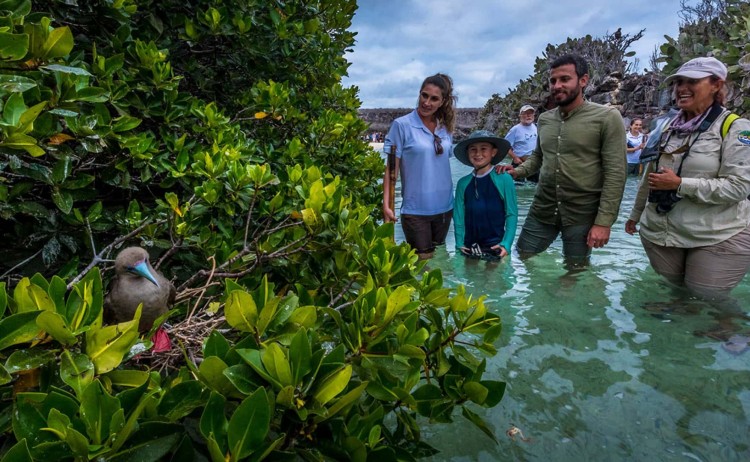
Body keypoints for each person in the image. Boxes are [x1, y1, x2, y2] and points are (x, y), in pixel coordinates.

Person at [625, 56, 750, 301]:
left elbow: (739, 188)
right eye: (678, 82)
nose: (682, 88)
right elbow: (650, 177)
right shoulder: (666, 127)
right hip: (662, 233)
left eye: (692, 81)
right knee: (676, 298)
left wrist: (681, 185)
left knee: (707, 304)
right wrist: (635, 215)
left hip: (719, 233)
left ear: (716, 84)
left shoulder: (736, 128)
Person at [497, 54, 627, 266]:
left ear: (583, 80)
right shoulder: (545, 119)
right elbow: (538, 157)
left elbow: (616, 173)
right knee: (523, 256)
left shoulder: (607, 118)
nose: (557, 86)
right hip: (543, 207)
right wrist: (516, 171)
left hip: (582, 213)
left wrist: (604, 222)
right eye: (553, 80)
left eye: (564, 79)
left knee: (576, 270)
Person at [382, 73, 457, 260]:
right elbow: (391, 169)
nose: (427, 102)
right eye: (424, 95)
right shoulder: (401, 125)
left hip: (445, 207)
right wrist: (385, 204)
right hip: (415, 210)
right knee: (424, 265)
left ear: (443, 101)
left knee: (440, 260)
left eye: (434, 99)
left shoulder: (445, 127)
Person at [453, 130, 518, 261]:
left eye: (484, 149)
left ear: (493, 152)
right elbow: (458, 216)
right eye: (473, 149)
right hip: (469, 245)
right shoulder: (463, 183)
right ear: (467, 153)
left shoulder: (504, 179)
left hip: (496, 245)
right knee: (469, 279)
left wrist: (506, 244)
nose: (478, 154)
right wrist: (459, 243)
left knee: (495, 280)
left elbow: (511, 213)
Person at [505, 105, 539, 183]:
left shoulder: (536, 127)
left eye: (530, 113)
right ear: (520, 115)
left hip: (533, 163)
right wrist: (515, 158)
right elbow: (506, 146)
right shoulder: (515, 129)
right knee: (519, 186)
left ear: (533, 115)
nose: (528, 116)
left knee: (535, 185)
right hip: (519, 163)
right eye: (525, 113)